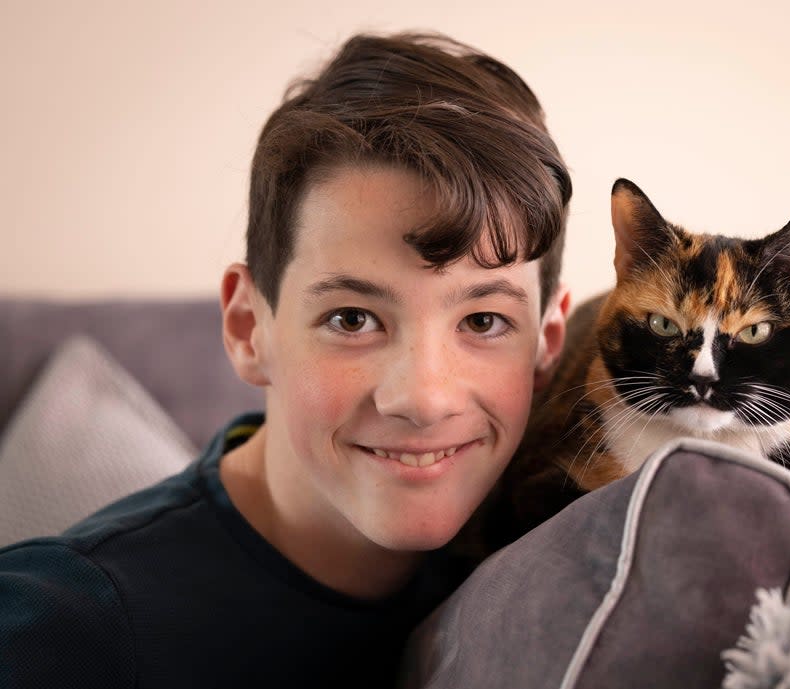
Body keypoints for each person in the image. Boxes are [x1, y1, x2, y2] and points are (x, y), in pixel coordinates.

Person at [0, 32, 573, 688]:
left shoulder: (560, 560)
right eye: (353, 319)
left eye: (483, 320)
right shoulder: (56, 630)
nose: (424, 397)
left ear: (547, 339)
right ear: (249, 326)